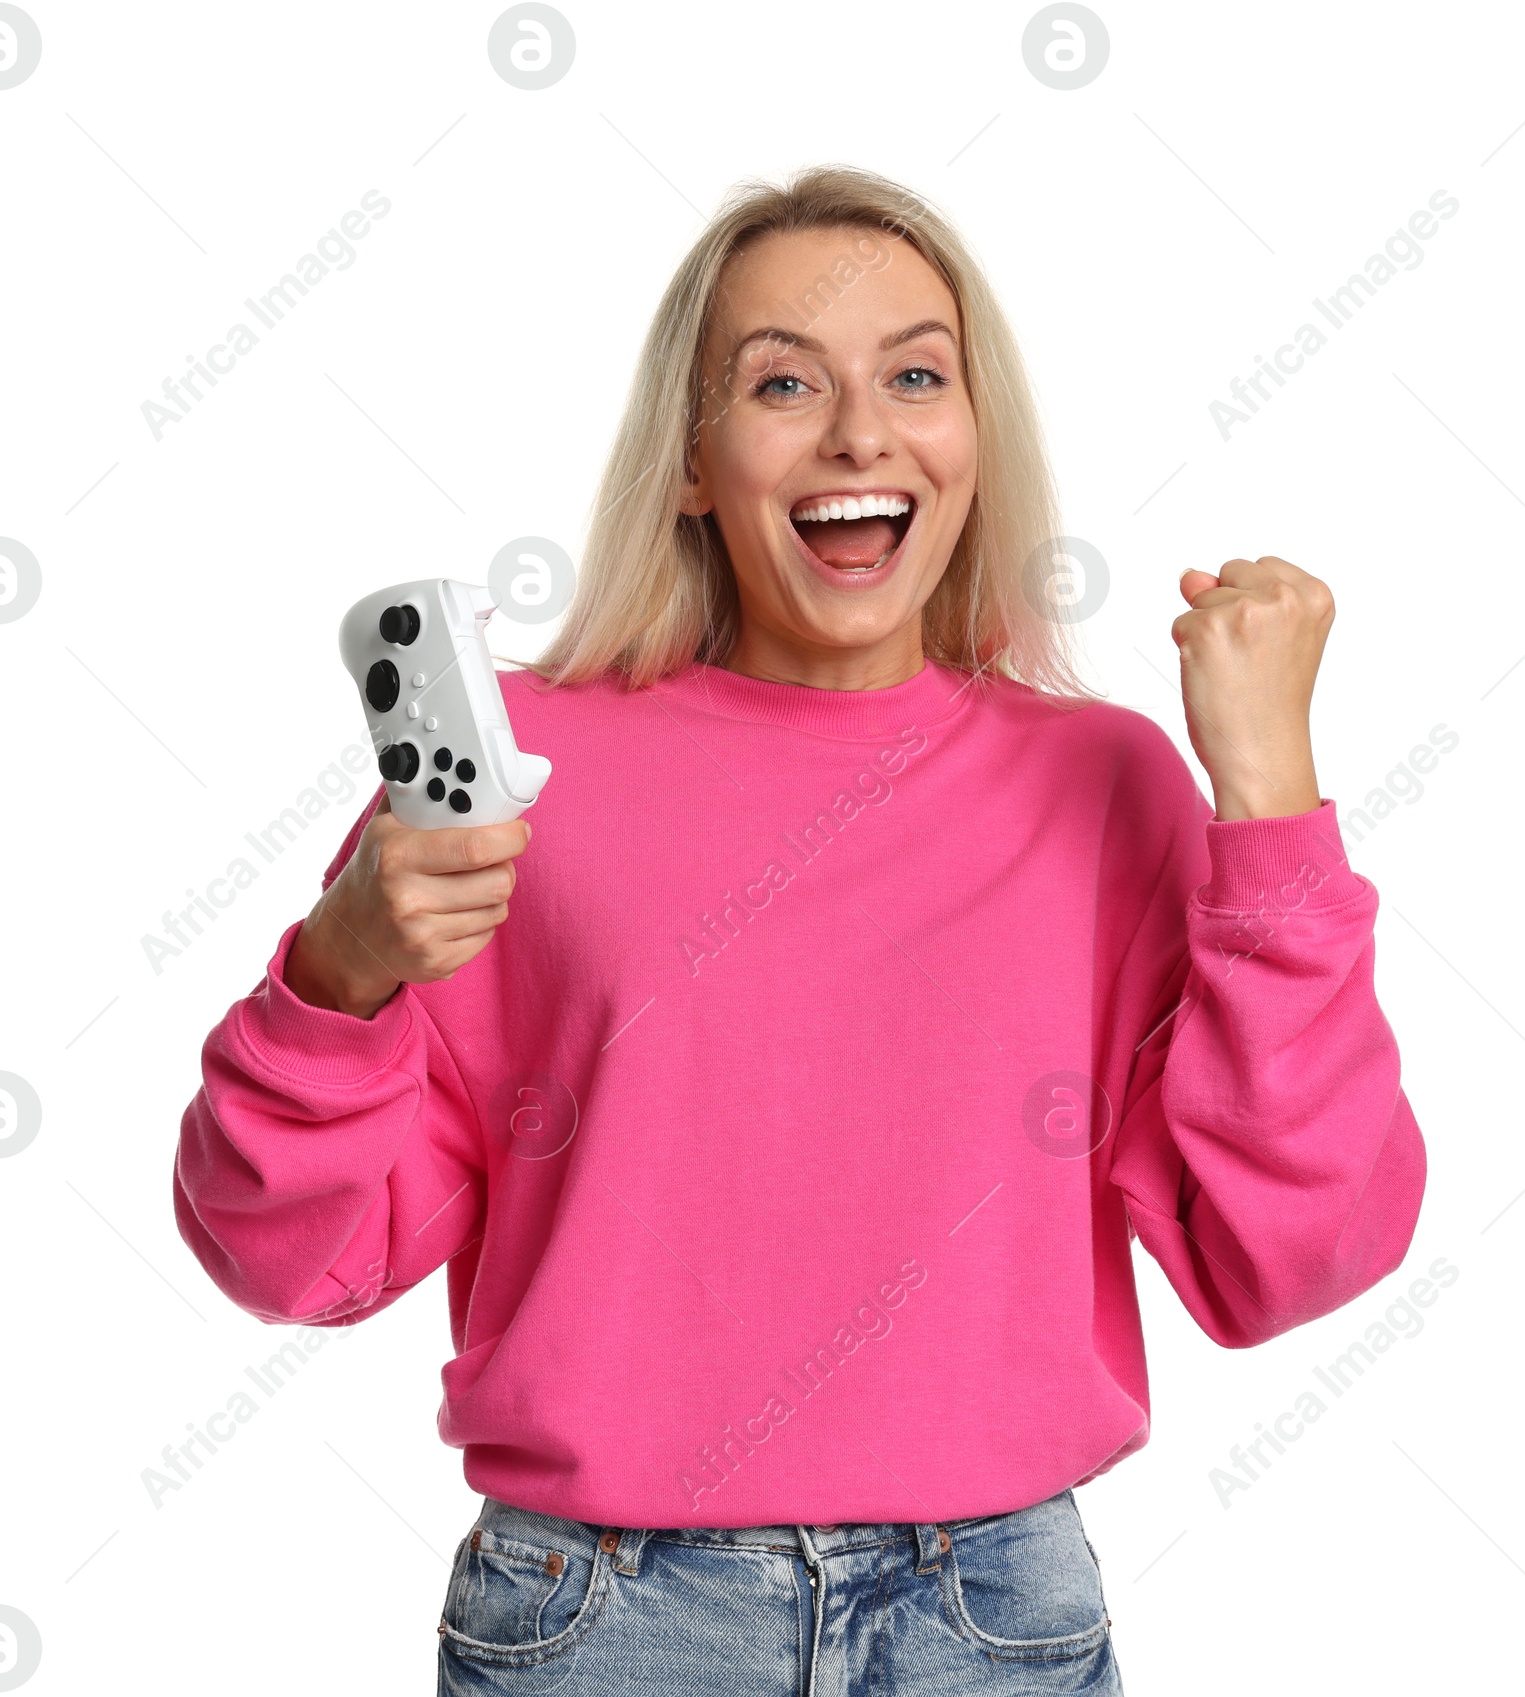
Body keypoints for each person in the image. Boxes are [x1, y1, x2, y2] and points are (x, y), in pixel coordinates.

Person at [173, 164, 1426, 1695]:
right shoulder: (516, 778)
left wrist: (1274, 798)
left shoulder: (1106, 786)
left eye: (915, 373)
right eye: (783, 383)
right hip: (601, 1621)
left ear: (972, 440)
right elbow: (283, 1257)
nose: (859, 432)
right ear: (694, 462)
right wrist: (340, 971)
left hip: (993, 1613)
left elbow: (1292, 1254)